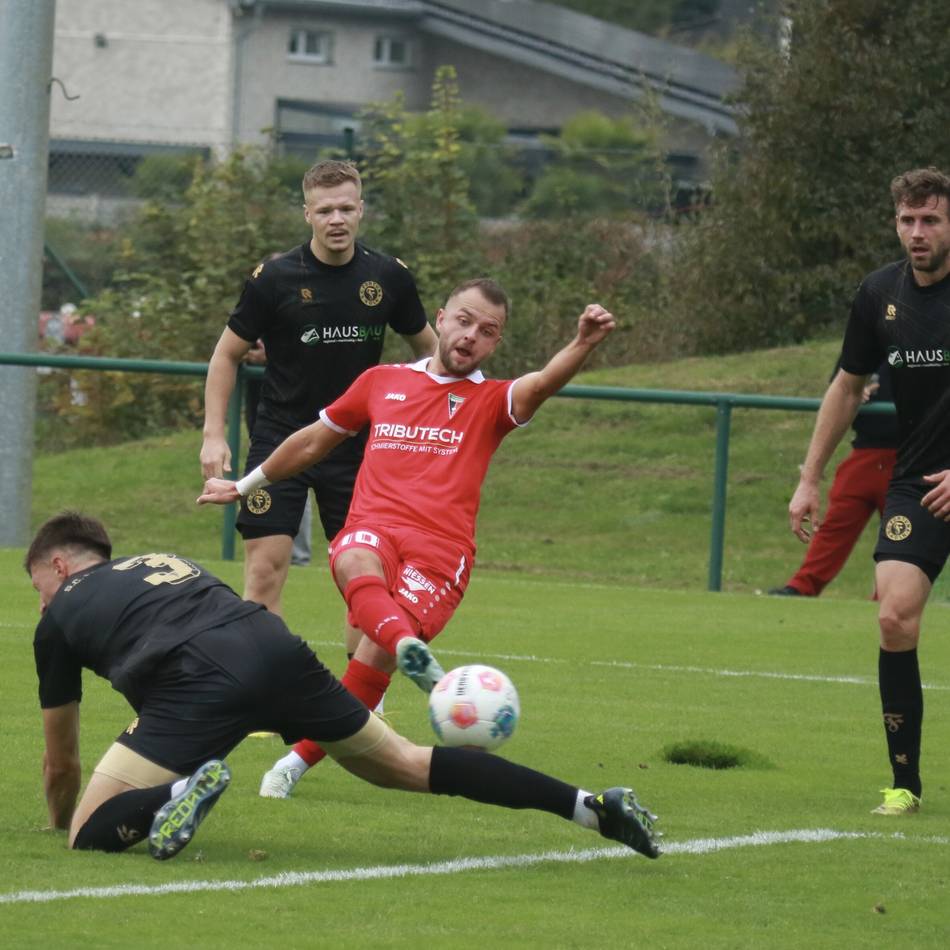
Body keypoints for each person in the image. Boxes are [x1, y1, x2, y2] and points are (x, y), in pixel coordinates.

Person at [26, 511, 661, 861]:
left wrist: (60, 819)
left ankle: (179, 792)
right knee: (403, 764)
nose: (41, 603)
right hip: (273, 645)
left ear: (59, 565)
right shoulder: (165, 560)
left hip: (198, 676)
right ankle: (592, 809)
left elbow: (62, 759)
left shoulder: (58, 618)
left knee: (89, 830)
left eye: (38, 588)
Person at [198, 278, 617, 800]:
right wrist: (243, 486)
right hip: (375, 530)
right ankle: (408, 649)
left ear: (495, 345)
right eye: (463, 321)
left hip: (442, 555)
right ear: (440, 318)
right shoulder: (381, 382)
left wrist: (581, 344)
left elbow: (540, 384)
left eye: (487, 332)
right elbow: (310, 442)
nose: (470, 337)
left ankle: (295, 760)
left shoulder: (490, 400)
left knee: (367, 669)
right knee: (353, 555)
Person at [199, 159, 437, 663]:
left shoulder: (387, 277)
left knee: (364, 580)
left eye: (346, 208)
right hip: (281, 439)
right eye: (325, 209)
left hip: (356, 450)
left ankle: (360, 714)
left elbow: (432, 358)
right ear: (307, 213)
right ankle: (268, 695)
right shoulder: (274, 278)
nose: (337, 219)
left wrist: (422, 420)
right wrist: (213, 434)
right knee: (264, 573)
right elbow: (225, 354)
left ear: (361, 210)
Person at [787, 166, 950, 817]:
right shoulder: (879, 293)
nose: (918, 232)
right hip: (917, 481)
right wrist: (809, 476)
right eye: (908, 221)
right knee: (892, 614)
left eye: (931, 220)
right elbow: (847, 385)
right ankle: (904, 783)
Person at [769, 359, 897, 597]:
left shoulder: (928, 340)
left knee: (900, 533)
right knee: (835, 525)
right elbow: (841, 387)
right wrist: (861, 391)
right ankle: (802, 586)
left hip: (911, 457)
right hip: (864, 452)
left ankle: (890, 597)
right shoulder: (869, 336)